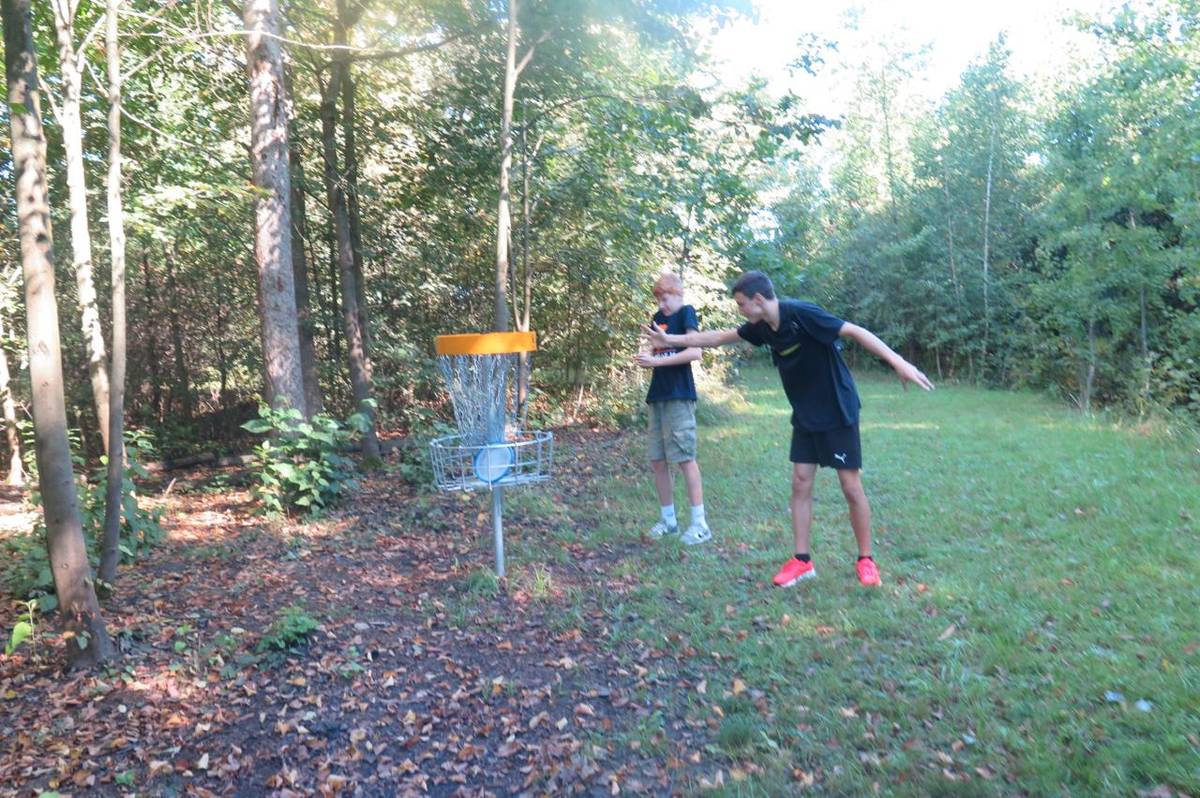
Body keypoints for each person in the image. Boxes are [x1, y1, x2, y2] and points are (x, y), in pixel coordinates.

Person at [642, 270, 933, 586]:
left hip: (837, 408)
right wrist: (669, 340)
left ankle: (866, 560)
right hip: (805, 413)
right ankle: (802, 561)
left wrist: (898, 362)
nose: (740, 310)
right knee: (800, 482)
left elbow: (855, 331)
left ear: (758, 300)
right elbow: (717, 337)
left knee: (850, 486)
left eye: (741, 304)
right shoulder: (762, 327)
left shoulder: (802, 314)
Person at [633, 273, 711, 545]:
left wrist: (657, 360)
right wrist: (647, 356)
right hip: (658, 396)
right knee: (657, 460)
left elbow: (695, 352)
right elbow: (656, 350)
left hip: (679, 395)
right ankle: (668, 522)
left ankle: (700, 524)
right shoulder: (658, 318)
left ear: (679, 294)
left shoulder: (687, 313)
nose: (662, 304)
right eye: (659, 299)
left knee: (685, 458)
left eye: (666, 298)